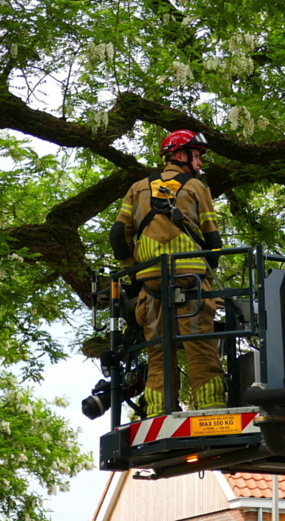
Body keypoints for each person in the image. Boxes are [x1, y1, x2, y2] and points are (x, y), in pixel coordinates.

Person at [109, 130, 225, 417]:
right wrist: (209, 273)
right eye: (196, 155)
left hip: (150, 283)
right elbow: (213, 241)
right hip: (191, 279)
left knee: (158, 351)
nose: (199, 163)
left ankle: (159, 413)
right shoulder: (197, 187)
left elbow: (117, 236)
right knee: (200, 347)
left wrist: (133, 273)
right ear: (180, 155)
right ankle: (211, 410)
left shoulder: (137, 188)